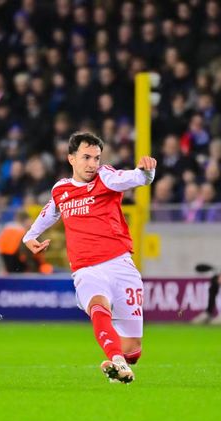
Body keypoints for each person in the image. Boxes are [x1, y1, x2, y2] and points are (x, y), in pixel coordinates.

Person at [23, 132, 156, 384]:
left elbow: (135, 178)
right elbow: (51, 212)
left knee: (133, 350)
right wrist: (29, 236)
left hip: (120, 265)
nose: (92, 164)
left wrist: (147, 172)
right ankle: (116, 361)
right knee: (98, 306)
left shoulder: (106, 177)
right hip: (86, 268)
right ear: (71, 158)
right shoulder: (60, 189)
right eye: (86, 157)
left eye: (96, 158)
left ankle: (121, 360)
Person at [0, 210, 52, 274]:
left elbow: (0, 243)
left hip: (6, 253)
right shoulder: (22, 230)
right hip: (19, 256)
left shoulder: (8, 228)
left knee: (12, 271)